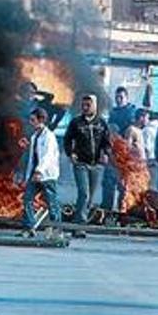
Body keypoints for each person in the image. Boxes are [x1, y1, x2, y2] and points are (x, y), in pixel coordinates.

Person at [63, 94, 110, 225]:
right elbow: (67, 140)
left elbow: (107, 142)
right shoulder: (76, 122)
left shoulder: (102, 123)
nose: (85, 107)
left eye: (88, 105)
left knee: (91, 197)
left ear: (95, 106)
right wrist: (70, 153)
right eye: (83, 105)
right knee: (84, 193)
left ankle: (82, 218)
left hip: (97, 166)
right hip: (80, 164)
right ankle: (80, 225)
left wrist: (106, 153)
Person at [19, 108, 60, 237]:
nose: (31, 122)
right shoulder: (35, 136)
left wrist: (39, 170)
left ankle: (57, 230)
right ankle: (29, 228)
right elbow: (34, 155)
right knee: (27, 199)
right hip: (34, 175)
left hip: (47, 176)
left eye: (33, 120)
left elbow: (47, 156)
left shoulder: (49, 136)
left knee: (51, 203)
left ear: (41, 120)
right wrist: (28, 146)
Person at [102, 87, 137, 214]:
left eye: (121, 97)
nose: (119, 99)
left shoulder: (132, 112)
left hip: (127, 154)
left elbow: (132, 133)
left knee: (124, 185)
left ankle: (123, 211)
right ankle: (106, 210)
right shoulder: (113, 113)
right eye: (117, 97)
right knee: (108, 182)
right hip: (113, 152)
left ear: (126, 98)